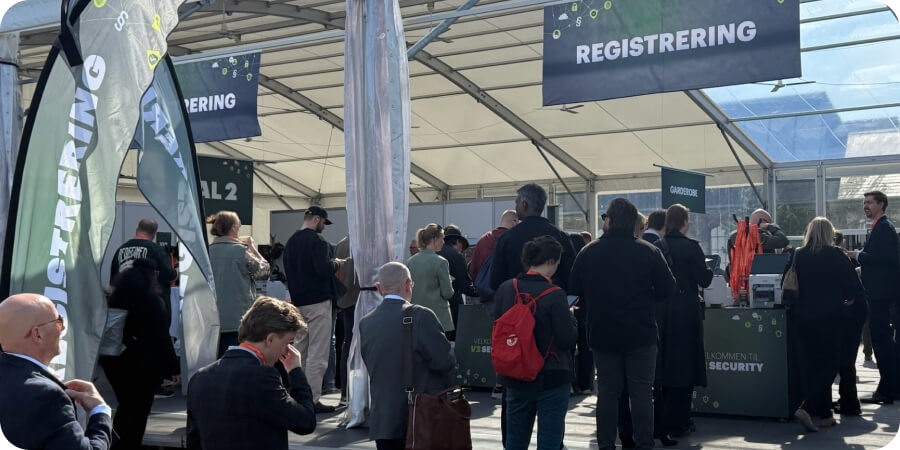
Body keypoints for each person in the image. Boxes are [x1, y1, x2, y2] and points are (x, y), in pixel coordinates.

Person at [569, 198, 676, 450]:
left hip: (602, 333)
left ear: (608, 220)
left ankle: (606, 444)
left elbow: (573, 291)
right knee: (642, 393)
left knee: (607, 393)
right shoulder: (649, 251)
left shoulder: (588, 252)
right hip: (641, 333)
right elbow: (667, 289)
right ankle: (644, 443)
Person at [186, 297, 316, 449]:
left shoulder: (199, 378)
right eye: (288, 342)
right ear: (271, 339)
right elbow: (305, 422)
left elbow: (193, 441)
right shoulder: (262, 377)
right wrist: (295, 371)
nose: (287, 350)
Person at [359, 262, 456, 450]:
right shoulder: (422, 316)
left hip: (383, 419)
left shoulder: (366, 323)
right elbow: (445, 361)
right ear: (408, 284)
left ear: (379, 289)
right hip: (419, 416)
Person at [494, 236, 577, 450]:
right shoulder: (555, 294)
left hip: (514, 374)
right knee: (549, 440)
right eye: (557, 263)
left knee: (515, 441)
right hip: (551, 375)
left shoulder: (506, 288)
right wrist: (571, 317)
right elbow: (565, 338)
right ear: (551, 261)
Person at [0, 293, 112, 449]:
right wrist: (100, 411)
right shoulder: (46, 396)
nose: (63, 327)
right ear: (37, 334)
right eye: (58, 321)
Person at [790, 218, 865, 431]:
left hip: (803, 319)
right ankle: (808, 406)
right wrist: (847, 299)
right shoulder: (836, 255)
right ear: (829, 234)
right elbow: (852, 286)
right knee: (831, 364)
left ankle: (824, 415)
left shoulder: (799, 254)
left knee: (813, 365)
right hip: (830, 318)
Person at [99, 259, 180, 449]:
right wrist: (174, 368)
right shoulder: (152, 301)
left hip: (115, 362)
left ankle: (116, 443)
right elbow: (162, 337)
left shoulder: (117, 296)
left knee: (125, 406)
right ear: (153, 275)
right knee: (139, 411)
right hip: (144, 367)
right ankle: (130, 444)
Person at [655, 204, 713, 441]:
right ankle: (680, 420)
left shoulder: (656, 247)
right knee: (685, 364)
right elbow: (705, 280)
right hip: (686, 312)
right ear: (685, 223)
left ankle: (662, 419)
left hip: (661, 312)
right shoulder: (692, 248)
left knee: (664, 364)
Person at [282, 206, 345, 413]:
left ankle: (297, 394)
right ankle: (312, 398)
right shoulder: (318, 242)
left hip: (298, 303)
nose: (323, 228)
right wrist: (337, 263)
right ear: (316, 219)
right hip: (318, 302)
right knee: (318, 352)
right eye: (323, 223)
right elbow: (323, 268)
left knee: (300, 349)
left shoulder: (290, 242)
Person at [846, 191, 900, 404]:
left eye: (869, 202)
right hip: (880, 294)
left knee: (881, 341)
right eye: (864, 202)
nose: (865, 206)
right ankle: (891, 387)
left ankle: (887, 390)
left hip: (881, 296)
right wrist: (862, 267)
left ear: (881, 204)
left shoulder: (884, 228)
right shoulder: (880, 227)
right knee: (883, 341)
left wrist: (858, 255)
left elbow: (887, 259)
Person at [490, 183, 576, 292]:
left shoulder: (506, 238)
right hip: (551, 302)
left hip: (516, 303)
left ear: (524, 204)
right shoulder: (561, 236)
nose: (516, 207)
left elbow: (495, 282)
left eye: (517, 203)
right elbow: (571, 277)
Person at [207, 211, 270, 358]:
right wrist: (252, 247)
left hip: (211, 319)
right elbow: (264, 271)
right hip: (238, 319)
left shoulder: (206, 251)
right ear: (234, 228)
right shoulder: (241, 251)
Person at [110, 218, 178, 322]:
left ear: (137, 229)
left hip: (125, 309)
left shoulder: (120, 250)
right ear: (154, 234)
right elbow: (169, 275)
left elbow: (113, 281)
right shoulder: (157, 250)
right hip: (152, 310)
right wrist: (177, 272)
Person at [833, 229, 868, 417]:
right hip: (854, 312)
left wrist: (846, 300)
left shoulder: (836, 256)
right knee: (846, 359)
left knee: (845, 358)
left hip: (851, 314)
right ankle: (848, 402)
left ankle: (849, 403)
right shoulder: (839, 256)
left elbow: (851, 290)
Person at [407, 224, 456, 334]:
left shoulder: (410, 261)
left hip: (416, 316)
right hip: (438, 317)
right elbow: (447, 293)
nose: (444, 242)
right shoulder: (441, 262)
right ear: (435, 239)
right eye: (442, 238)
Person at [438, 224, 478, 337]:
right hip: (452, 305)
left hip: (433, 306)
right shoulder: (455, 256)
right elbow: (464, 284)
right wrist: (479, 291)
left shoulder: (435, 253)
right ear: (458, 242)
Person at [569, 233, 593, 396]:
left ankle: (569, 383)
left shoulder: (568, 264)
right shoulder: (588, 262)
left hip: (570, 307)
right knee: (586, 349)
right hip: (587, 310)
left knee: (569, 348)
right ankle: (585, 384)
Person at [334, 235, 358, 403]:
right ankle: (354, 392)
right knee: (354, 345)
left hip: (345, 300)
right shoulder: (363, 241)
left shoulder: (341, 243)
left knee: (347, 345)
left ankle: (345, 392)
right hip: (359, 299)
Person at [469, 209, 519, 281]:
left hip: (484, 289)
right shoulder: (515, 240)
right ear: (514, 222)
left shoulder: (484, 239)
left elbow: (473, 270)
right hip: (509, 288)